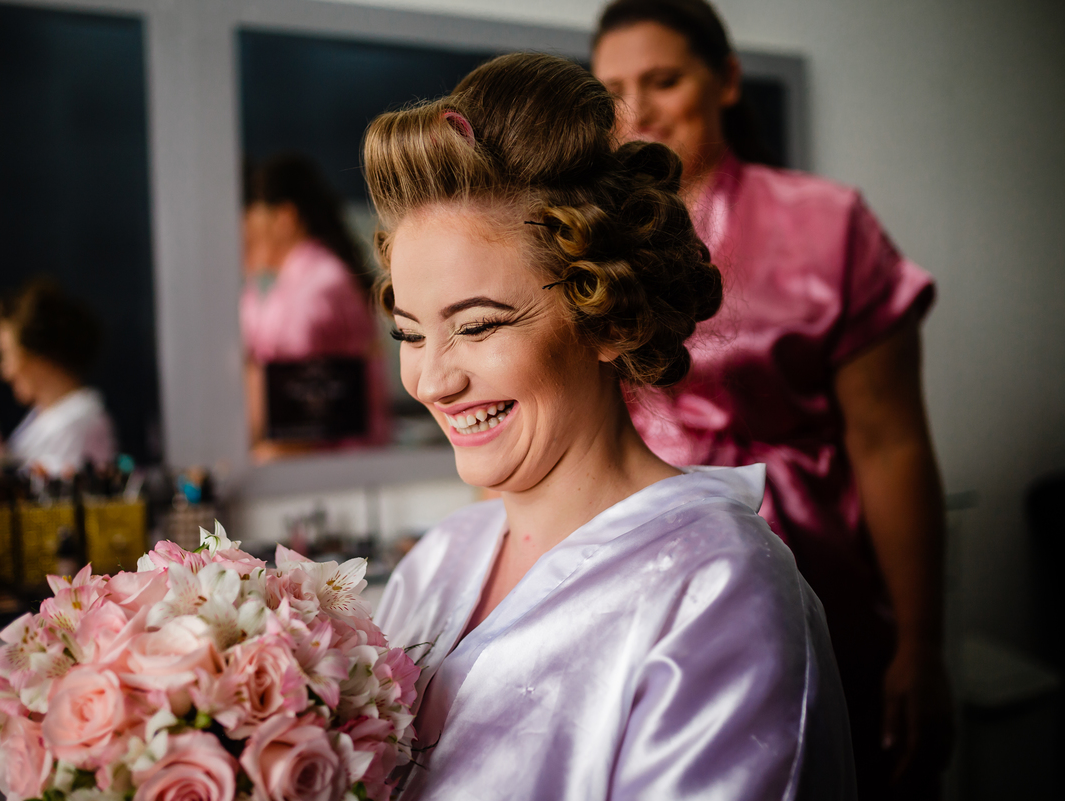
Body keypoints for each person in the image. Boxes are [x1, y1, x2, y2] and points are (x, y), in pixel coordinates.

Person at [369, 52, 853, 800]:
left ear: (609, 315)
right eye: (410, 332)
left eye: (478, 326)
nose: (433, 379)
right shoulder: (436, 561)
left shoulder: (718, 592)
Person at [590, 1, 953, 798]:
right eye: (613, 88)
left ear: (724, 81)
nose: (638, 110)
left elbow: (892, 443)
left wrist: (922, 644)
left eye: (664, 80)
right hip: (637, 574)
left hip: (814, 571)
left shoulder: (827, 225)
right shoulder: (583, 238)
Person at [240, 153, 389, 457]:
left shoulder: (316, 288)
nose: (242, 228)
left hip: (329, 465)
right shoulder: (291, 283)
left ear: (284, 218)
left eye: (248, 214)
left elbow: (294, 417)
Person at [0, 279, 115, 477]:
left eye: (8, 354)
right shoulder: (43, 416)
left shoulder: (80, 421)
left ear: (40, 357)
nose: (4, 372)